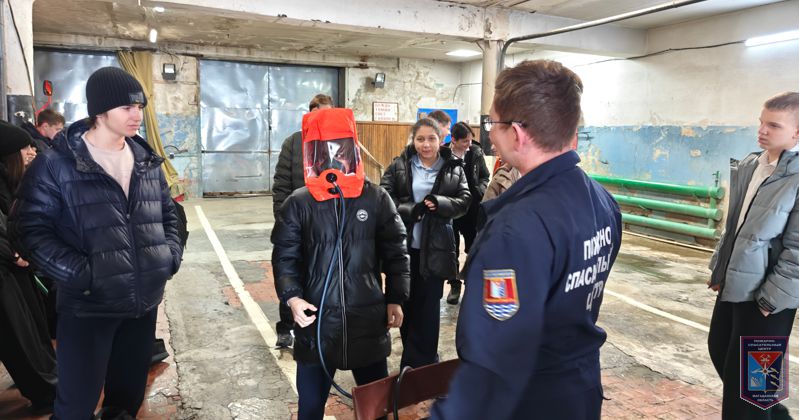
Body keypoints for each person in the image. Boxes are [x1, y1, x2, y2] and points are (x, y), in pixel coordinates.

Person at [429, 60, 622, 420]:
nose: (490, 135)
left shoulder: (515, 229)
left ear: (517, 133)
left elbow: (495, 359)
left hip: (529, 400)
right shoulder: (602, 201)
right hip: (580, 391)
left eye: (492, 124)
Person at [10, 66, 183, 420]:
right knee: (75, 405)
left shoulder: (146, 161)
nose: (137, 115)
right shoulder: (57, 164)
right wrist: (83, 274)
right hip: (89, 307)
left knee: (126, 401)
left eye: (140, 107)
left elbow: (171, 216)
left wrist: (167, 257)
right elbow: (28, 229)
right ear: (100, 111)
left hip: (142, 304)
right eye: (127, 107)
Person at [271, 108, 410, 420]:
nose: (332, 157)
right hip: (316, 323)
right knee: (310, 408)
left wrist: (396, 298)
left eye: (340, 148)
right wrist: (292, 298)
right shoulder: (299, 203)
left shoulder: (375, 198)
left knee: (375, 408)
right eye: (323, 150)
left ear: (352, 148)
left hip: (367, 319)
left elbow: (396, 251)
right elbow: (284, 257)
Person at [707, 92, 799, 420]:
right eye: (761, 122)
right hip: (736, 285)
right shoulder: (752, 165)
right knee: (721, 351)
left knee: (751, 389)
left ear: (797, 132)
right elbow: (735, 226)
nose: (762, 130)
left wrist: (771, 300)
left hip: (769, 298)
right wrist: (720, 270)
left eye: (773, 125)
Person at [380, 117, 470, 369]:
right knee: (406, 307)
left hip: (436, 250)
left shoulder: (453, 167)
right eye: (420, 139)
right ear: (413, 140)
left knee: (428, 312)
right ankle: (417, 363)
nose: (426, 144)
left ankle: (417, 367)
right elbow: (384, 195)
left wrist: (441, 203)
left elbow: (464, 201)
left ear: (441, 140)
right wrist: (410, 210)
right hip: (405, 250)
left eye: (431, 138)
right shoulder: (400, 164)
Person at [0, 120, 57, 415]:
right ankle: (45, 390)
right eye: (25, 148)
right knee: (18, 334)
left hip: (15, 263)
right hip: (6, 267)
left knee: (34, 326)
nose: (32, 152)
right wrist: (14, 253)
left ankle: (50, 380)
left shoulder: (12, 181)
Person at [272, 93, 334, 349]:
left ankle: (318, 321)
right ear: (309, 114)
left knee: (322, 275)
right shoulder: (293, 143)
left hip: (327, 225)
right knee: (291, 274)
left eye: (328, 114)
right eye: (319, 114)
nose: (323, 119)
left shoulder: (337, 142)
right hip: (297, 222)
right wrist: (284, 221)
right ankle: (285, 326)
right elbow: (281, 185)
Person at [446, 122, 490, 304]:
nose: (469, 144)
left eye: (470, 140)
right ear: (453, 140)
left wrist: (478, 191)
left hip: (471, 209)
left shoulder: (476, 152)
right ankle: (454, 285)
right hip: (450, 209)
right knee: (451, 249)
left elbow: (485, 176)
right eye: (465, 141)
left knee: (473, 247)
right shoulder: (443, 154)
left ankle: (471, 284)